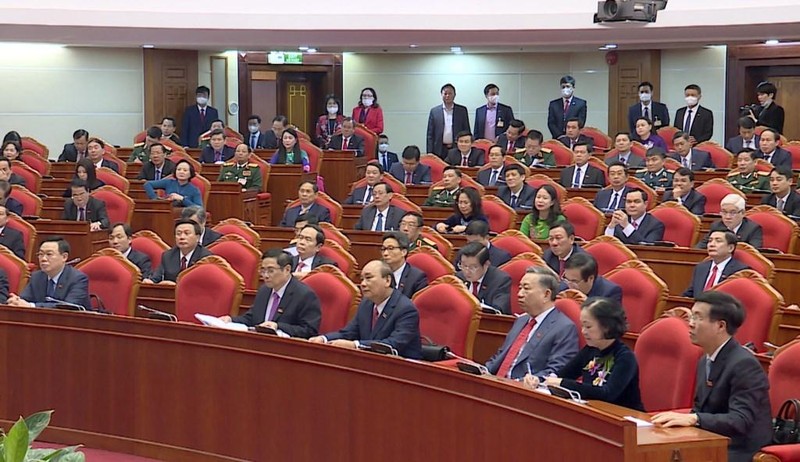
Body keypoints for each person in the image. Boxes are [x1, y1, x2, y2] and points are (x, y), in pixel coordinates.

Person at [651, 291, 772, 462]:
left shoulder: (744, 364)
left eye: (698, 317)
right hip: (711, 441)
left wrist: (695, 419)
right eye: (691, 316)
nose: (690, 323)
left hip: (739, 450)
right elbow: (700, 409)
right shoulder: (704, 360)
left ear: (720, 326)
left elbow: (740, 420)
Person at [525, 297, 644, 411]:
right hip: (594, 411)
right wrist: (538, 379)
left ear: (607, 327)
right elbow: (561, 374)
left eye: (588, 326)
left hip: (623, 416)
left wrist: (562, 383)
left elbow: (607, 393)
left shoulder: (625, 357)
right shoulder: (589, 350)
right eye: (582, 325)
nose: (583, 331)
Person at [309, 260, 423, 359]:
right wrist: (324, 339)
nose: (363, 284)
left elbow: (392, 344)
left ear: (387, 280)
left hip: (403, 368)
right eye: (362, 279)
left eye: (369, 278)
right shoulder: (366, 304)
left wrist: (355, 345)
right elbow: (349, 333)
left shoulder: (406, 309)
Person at [486, 266, 579, 379]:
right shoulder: (521, 320)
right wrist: (483, 371)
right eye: (520, 288)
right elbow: (500, 356)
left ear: (546, 294)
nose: (519, 294)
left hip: (522, 387)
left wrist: (529, 381)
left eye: (526, 288)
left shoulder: (564, 328)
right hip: (497, 381)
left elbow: (556, 371)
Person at [220, 249, 321, 338]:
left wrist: (277, 326)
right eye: (263, 270)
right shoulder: (264, 290)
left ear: (287, 270)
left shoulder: (304, 295)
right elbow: (251, 318)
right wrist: (230, 320)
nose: (265, 275)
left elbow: (309, 330)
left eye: (270, 271)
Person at [7, 237, 90, 309]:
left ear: (64, 257)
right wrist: (17, 301)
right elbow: (25, 299)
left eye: (49, 254)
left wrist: (32, 306)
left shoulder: (77, 278)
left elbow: (69, 307)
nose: (43, 259)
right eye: (40, 254)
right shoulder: (36, 277)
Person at [683, 231, 749, 298]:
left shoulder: (740, 271)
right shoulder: (701, 268)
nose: (711, 244)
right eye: (710, 241)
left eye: (718, 241)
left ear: (730, 248)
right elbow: (689, 294)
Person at [144, 219, 212, 284]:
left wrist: (176, 285)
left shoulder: (206, 258)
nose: (182, 237)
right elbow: (156, 278)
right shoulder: (168, 256)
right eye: (178, 234)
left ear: (197, 237)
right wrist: (150, 281)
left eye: (186, 233)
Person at [456, 242, 512, 314]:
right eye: (464, 265)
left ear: (486, 264)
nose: (467, 271)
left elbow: (498, 310)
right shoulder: (459, 278)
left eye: (473, 267)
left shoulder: (500, 280)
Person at [697, 194, 763, 250]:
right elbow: (699, 248)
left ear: (742, 213)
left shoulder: (753, 229)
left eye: (733, 213)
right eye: (724, 212)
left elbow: (753, 253)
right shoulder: (717, 226)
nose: (727, 217)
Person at [426, 83, 471, 158]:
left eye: (450, 93)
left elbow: (466, 130)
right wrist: (429, 153)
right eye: (445, 93)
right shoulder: (434, 111)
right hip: (439, 149)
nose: (447, 96)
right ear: (441, 95)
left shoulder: (462, 110)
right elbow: (430, 135)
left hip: (457, 148)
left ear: (454, 95)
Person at [381, 232, 427, 299]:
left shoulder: (417, 278)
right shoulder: (378, 273)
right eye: (383, 249)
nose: (385, 253)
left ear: (403, 252)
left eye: (390, 248)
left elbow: (417, 303)